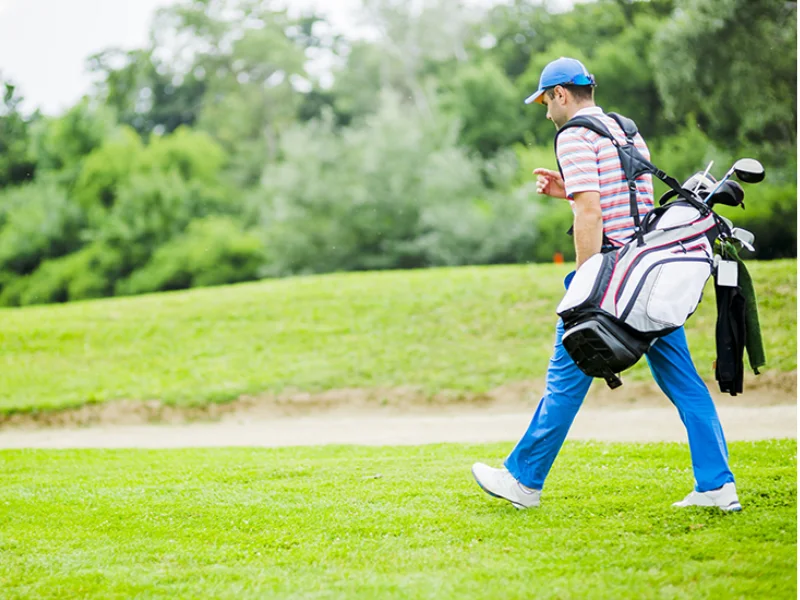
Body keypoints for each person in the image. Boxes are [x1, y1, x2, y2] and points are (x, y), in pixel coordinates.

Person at [471, 57, 741, 512]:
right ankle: (717, 485)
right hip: (646, 277)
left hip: (609, 282)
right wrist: (568, 191)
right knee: (684, 382)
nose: (544, 112)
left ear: (560, 94)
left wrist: (584, 283)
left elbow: (591, 213)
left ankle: (522, 481)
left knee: (564, 380)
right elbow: (630, 200)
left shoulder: (574, 134)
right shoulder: (626, 129)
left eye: (544, 101)